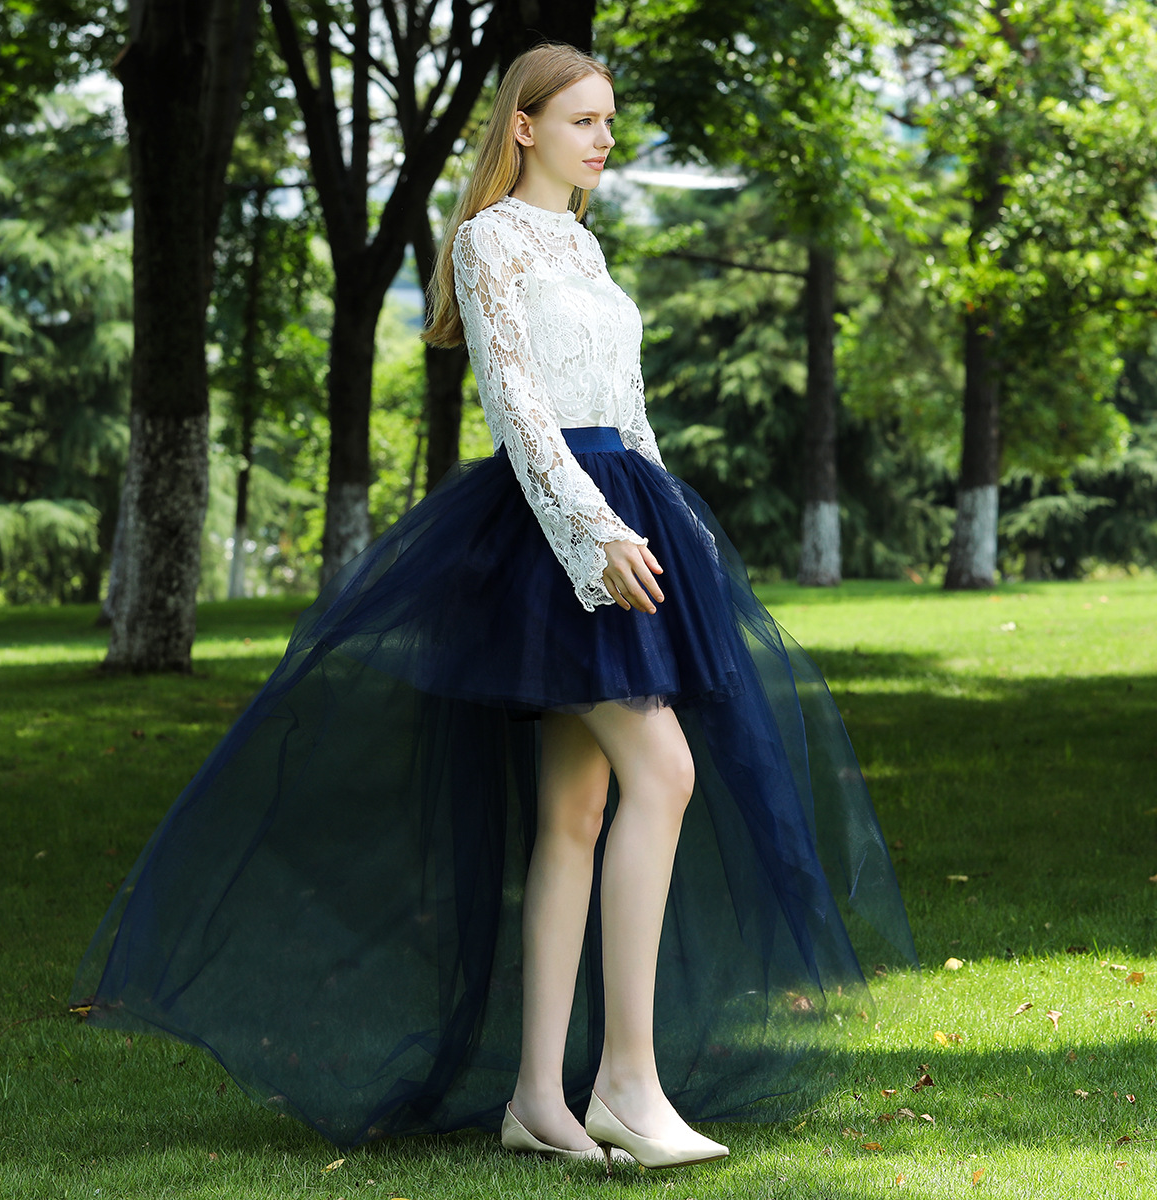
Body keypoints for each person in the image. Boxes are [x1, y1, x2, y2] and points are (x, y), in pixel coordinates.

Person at [70, 43, 915, 1170]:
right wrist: (594, 533)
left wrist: (677, 527)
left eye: (609, 120)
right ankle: (626, 1082)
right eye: (583, 120)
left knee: (576, 811)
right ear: (524, 125)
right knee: (664, 772)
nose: (605, 139)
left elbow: (627, 410)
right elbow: (519, 409)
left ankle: (534, 1102)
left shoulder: (585, 245)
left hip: (626, 515)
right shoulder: (488, 240)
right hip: (553, 531)